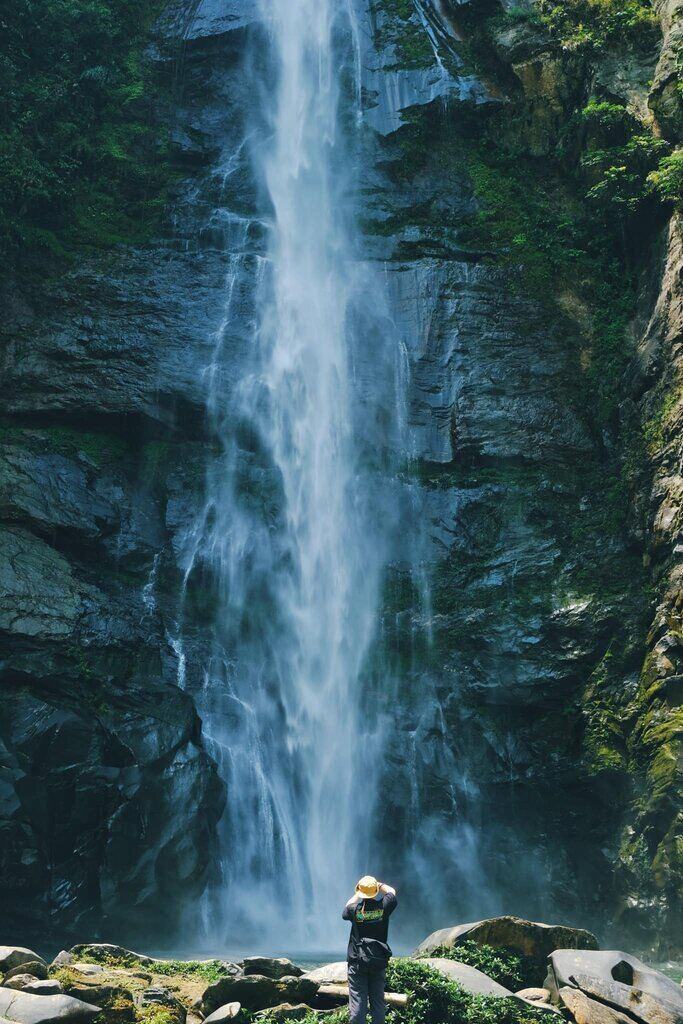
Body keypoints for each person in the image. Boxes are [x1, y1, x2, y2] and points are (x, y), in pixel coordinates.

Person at [342, 875, 397, 1024]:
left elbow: (346, 908)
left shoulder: (355, 910)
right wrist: (379, 885)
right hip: (378, 961)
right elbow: (391, 891)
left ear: (360, 892)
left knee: (358, 1004)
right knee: (378, 1004)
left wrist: (358, 892)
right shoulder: (384, 907)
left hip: (357, 961)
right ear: (375, 891)